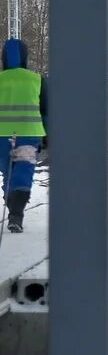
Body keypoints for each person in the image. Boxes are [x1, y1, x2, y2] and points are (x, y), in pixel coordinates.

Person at [0, 38, 47, 234]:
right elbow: (46, 110)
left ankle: (13, 207)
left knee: (9, 173)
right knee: (23, 173)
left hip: (2, 137)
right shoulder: (37, 79)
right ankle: (16, 214)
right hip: (28, 135)